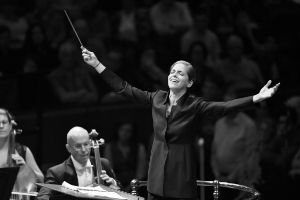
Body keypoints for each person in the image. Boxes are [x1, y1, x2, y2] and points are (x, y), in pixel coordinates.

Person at [81, 47, 280, 200]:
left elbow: (225, 107)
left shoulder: (195, 105)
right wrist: (97, 64)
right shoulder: (157, 98)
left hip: (181, 175)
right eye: (172, 71)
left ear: (190, 82)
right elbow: (125, 88)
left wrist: (256, 98)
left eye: (180, 73)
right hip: (156, 174)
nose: (174, 75)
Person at [37, 126, 120, 200]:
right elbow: (43, 196)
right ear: (68, 148)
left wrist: (113, 184)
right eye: (78, 146)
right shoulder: (57, 172)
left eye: (86, 144)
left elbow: (120, 190)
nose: (84, 150)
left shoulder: (103, 163)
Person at [0, 108, 44, 196]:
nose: (1, 126)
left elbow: (41, 180)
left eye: (4, 122)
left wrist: (26, 167)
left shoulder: (22, 151)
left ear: (10, 126)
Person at [104, 121, 147, 192]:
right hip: (114, 186)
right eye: (122, 130)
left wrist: (129, 188)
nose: (125, 133)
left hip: (136, 187)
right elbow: (109, 171)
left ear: (133, 133)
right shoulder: (110, 147)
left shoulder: (139, 147)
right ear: (117, 131)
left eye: (128, 131)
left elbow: (141, 172)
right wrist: (118, 186)